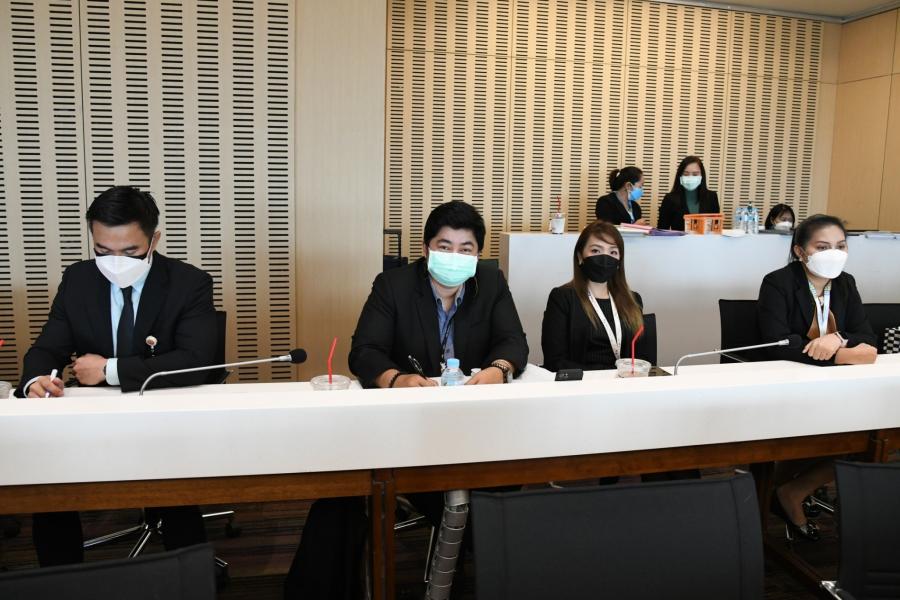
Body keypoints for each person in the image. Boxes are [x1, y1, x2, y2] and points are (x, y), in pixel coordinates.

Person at [285, 201, 528, 599]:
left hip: (473, 425)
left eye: (466, 248)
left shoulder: (491, 283)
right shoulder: (393, 285)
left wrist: (498, 369)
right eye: (445, 246)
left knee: (506, 489)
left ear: (478, 254)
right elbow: (364, 352)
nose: (455, 256)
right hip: (406, 426)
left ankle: (494, 563)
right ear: (426, 248)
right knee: (345, 491)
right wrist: (396, 379)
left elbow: (514, 341)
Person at [15, 186, 216, 566]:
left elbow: (197, 359)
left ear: (154, 240)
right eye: (103, 251)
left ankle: (191, 576)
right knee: (49, 484)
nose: (116, 262)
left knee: (176, 490)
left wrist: (109, 370)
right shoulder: (78, 279)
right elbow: (47, 348)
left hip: (163, 412)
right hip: (93, 415)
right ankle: (61, 580)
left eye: (130, 251)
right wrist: (34, 381)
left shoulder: (188, 282)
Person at [757, 214, 877, 541]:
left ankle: (791, 490)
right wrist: (843, 355)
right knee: (839, 435)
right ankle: (785, 491)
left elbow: (866, 335)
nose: (833, 254)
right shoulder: (778, 283)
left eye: (841, 246)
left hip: (836, 387)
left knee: (867, 435)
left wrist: (837, 339)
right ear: (800, 251)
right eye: (822, 247)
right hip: (787, 384)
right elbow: (778, 343)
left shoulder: (846, 283)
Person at [541, 220, 648, 371]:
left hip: (623, 381)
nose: (605, 258)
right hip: (581, 382)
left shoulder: (633, 300)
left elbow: (640, 358)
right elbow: (554, 361)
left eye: (613, 252)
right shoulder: (562, 298)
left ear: (619, 261)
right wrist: (601, 376)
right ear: (580, 256)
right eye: (596, 251)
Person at [656, 155, 721, 230]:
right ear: (680, 176)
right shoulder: (669, 199)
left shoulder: (712, 197)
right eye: (686, 174)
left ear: (702, 175)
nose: (690, 177)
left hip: (705, 238)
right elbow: (662, 230)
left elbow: (715, 228)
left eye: (695, 174)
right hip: (679, 238)